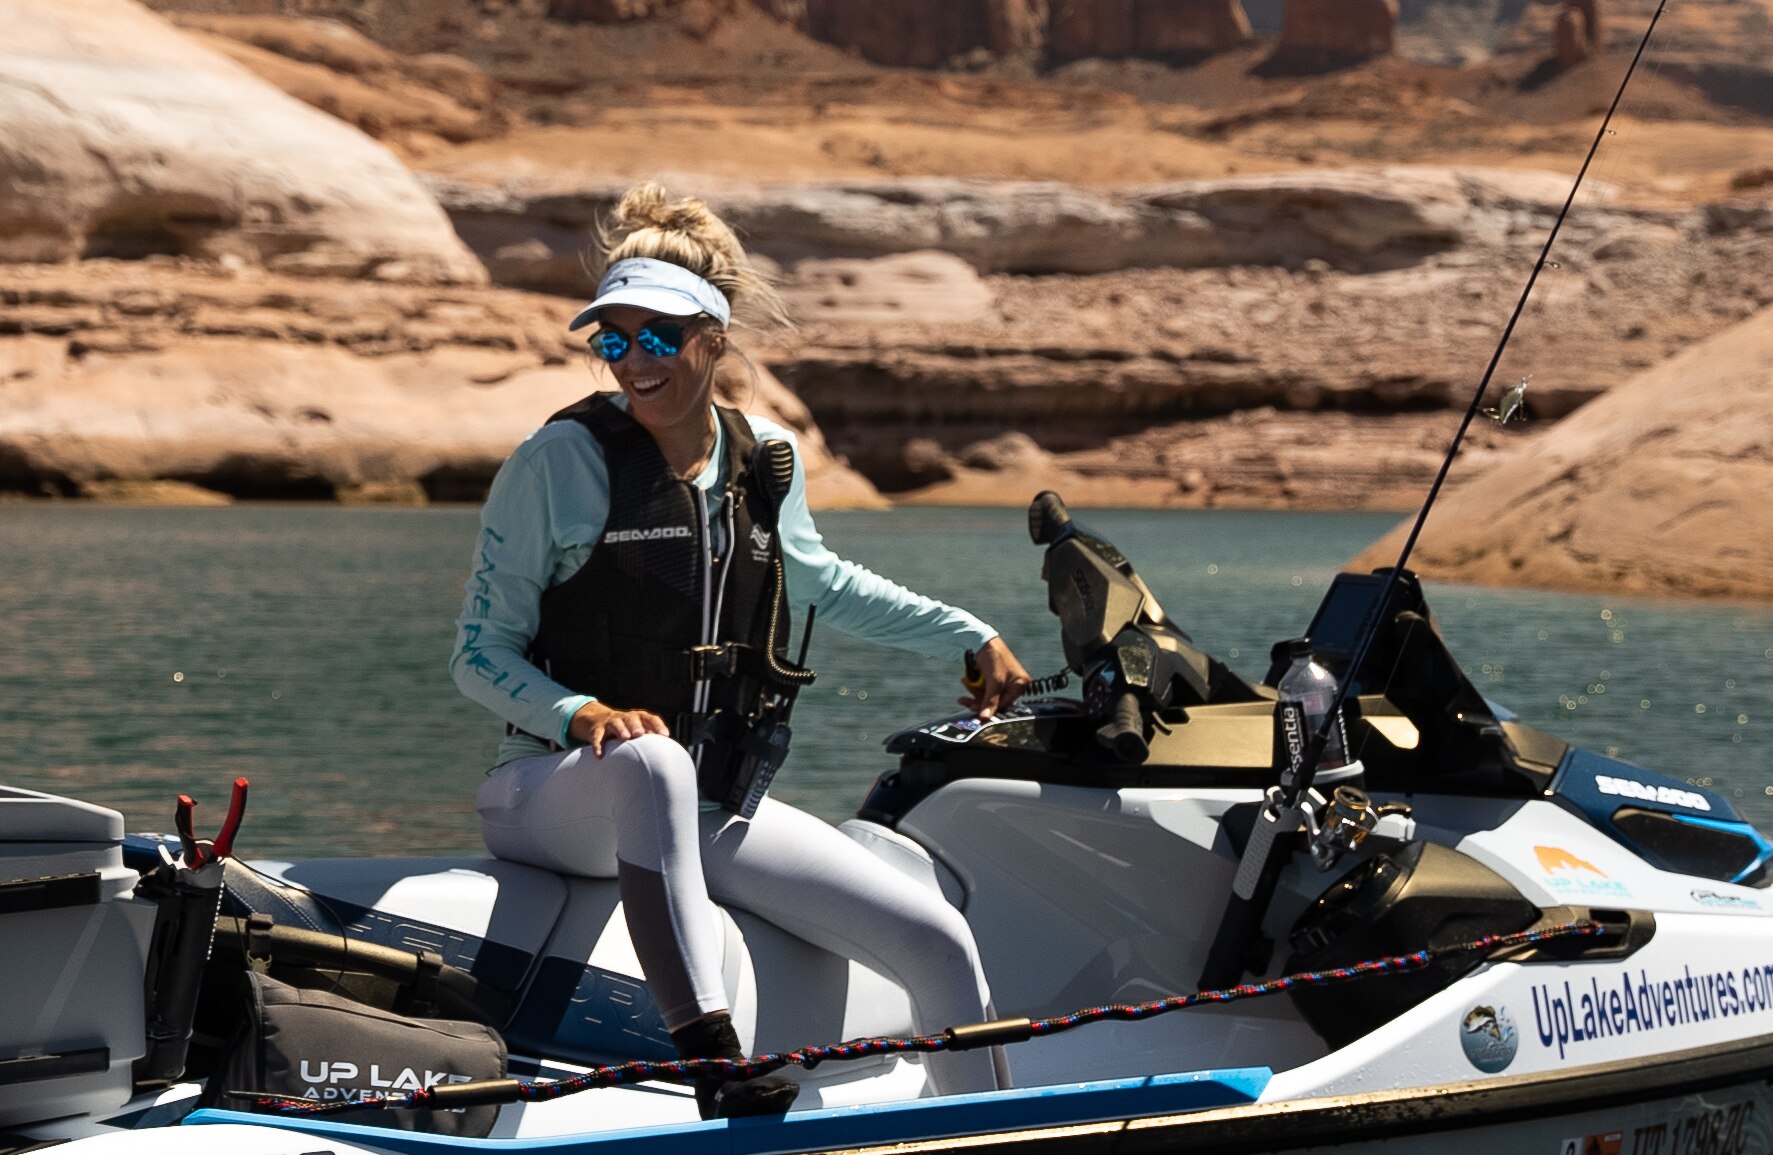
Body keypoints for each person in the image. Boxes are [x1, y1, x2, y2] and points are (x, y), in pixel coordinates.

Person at [450, 183, 1031, 1118]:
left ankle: (984, 1136)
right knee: (650, 762)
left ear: (712, 340)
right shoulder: (556, 462)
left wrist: (967, 631)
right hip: (551, 794)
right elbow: (478, 655)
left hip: (705, 806)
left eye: (656, 338)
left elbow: (825, 582)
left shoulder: (761, 456)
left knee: (935, 939)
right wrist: (580, 712)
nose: (631, 362)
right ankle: (712, 1062)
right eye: (611, 340)